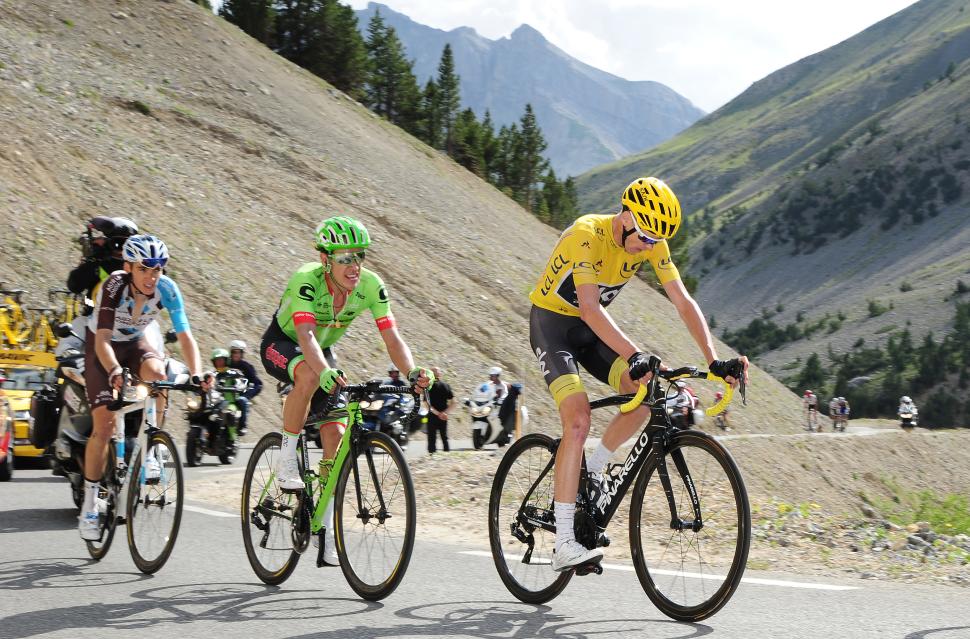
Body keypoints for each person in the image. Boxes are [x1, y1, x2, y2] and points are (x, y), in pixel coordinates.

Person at [528, 176, 748, 571]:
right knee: (577, 420)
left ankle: (592, 471)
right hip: (554, 328)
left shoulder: (652, 241)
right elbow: (592, 309)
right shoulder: (586, 234)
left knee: (650, 393)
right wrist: (636, 353)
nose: (646, 246)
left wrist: (714, 360)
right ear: (625, 214)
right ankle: (563, 542)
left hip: (591, 334)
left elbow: (682, 300)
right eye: (643, 236)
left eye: (653, 241)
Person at [259, 216, 433, 565]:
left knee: (336, 436)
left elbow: (391, 336)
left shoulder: (370, 285)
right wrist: (323, 371)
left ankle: (322, 524)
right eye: (345, 258)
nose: (354, 266)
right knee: (309, 376)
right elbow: (306, 336)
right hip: (284, 344)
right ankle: (287, 463)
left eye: (360, 256)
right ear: (325, 259)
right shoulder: (306, 280)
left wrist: (411, 369)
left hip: (321, 353)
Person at [78, 235, 209, 540]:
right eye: (144, 269)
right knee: (104, 426)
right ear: (128, 267)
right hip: (102, 347)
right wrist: (112, 371)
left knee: (158, 372)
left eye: (158, 269)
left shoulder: (167, 288)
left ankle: (151, 448)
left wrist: (198, 373)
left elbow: (186, 337)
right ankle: (89, 504)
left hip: (135, 343)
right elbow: (102, 340)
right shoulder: (114, 285)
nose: (152, 276)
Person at [67, 216, 139, 299]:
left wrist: (93, 259)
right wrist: (94, 259)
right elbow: (75, 286)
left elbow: (74, 287)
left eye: (128, 246)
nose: (122, 250)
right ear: (108, 243)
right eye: (117, 244)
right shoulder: (101, 261)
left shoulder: (101, 262)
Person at [228, 340, 262, 436]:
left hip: (239, 394)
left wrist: (247, 396)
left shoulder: (246, 367)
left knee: (243, 401)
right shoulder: (225, 364)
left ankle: (242, 426)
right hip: (224, 393)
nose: (236, 354)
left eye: (238, 352)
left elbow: (258, 384)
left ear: (242, 353)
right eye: (234, 352)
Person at [426, 366, 454, 454]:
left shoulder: (428, 387)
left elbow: (427, 405)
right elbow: (454, 402)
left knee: (431, 438)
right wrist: (445, 413)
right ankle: (446, 456)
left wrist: (437, 413)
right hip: (444, 417)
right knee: (444, 437)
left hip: (432, 416)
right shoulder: (446, 386)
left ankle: (432, 457)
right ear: (440, 374)